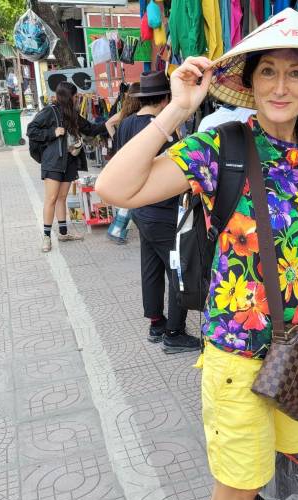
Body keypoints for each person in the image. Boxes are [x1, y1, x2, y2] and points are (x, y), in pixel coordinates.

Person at [96, 9, 298, 500]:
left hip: (297, 348)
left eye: (295, 73)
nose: (280, 85)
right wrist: (176, 109)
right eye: (267, 71)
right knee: (243, 483)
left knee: (262, 462)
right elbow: (113, 189)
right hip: (238, 356)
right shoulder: (224, 147)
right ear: (248, 81)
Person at [114, 71, 200, 353]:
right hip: (162, 211)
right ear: (165, 99)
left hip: (139, 208)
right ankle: (174, 332)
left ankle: (156, 323)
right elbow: (177, 170)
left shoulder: (126, 123)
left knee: (151, 266)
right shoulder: (160, 130)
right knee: (178, 268)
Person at [27, 81, 116, 253]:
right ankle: (46, 237)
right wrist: (52, 133)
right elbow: (31, 130)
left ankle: (63, 233)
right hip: (53, 162)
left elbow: (90, 129)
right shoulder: (49, 111)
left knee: (62, 197)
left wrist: (110, 122)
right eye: (75, 96)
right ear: (69, 97)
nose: (77, 99)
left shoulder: (72, 114)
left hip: (69, 162)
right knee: (51, 199)